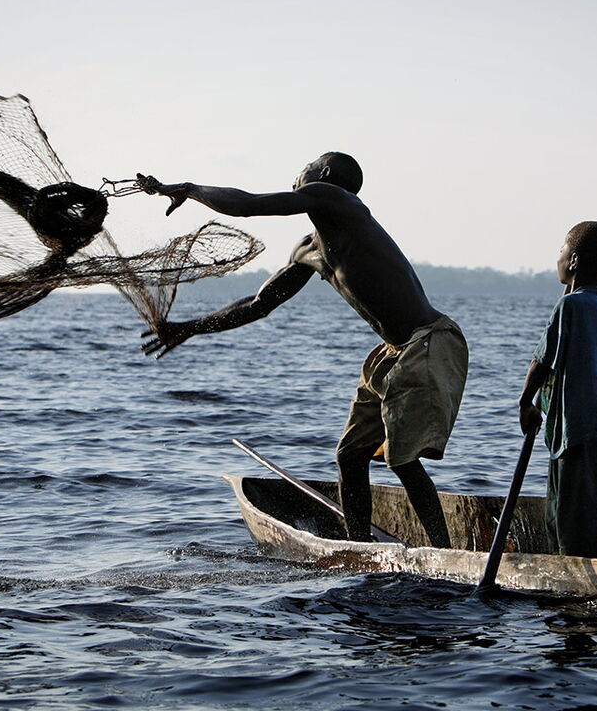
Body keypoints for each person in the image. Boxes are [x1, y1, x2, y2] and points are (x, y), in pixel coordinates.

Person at [138, 152, 467, 547]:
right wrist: (189, 328)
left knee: (402, 457)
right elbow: (258, 304)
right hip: (393, 352)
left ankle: (444, 553)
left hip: (428, 342)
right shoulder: (308, 249)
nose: (296, 176)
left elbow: (246, 206)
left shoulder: (336, 199)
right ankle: (357, 546)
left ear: (324, 175)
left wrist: (189, 190)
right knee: (350, 455)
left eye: (305, 168)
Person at [518, 221, 597, 558]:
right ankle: (569, 566)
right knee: (572, 509)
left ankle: (577, 583)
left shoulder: (572, 306)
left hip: (576, 427)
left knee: (570, 517)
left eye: (561, 250)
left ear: (573, 260)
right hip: (594, 426)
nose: (557, 258)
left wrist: (524, 402)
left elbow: (542, 360)